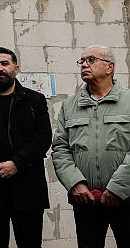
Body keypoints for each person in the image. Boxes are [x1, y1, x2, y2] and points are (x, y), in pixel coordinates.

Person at [52, 45, 130, 247]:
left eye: (91, 60)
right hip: (85, 200)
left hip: (125, 198)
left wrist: (117, 188)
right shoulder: (70, 105)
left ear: (109, 67)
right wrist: (75, 183)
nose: (84, 65)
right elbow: (60, 149)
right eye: (82, 61)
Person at [0, 47, 51, 248]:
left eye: (4, 64)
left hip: (28, 189)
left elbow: (43, 137)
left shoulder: (35, 100)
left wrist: (16, 163)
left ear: (16, 68)